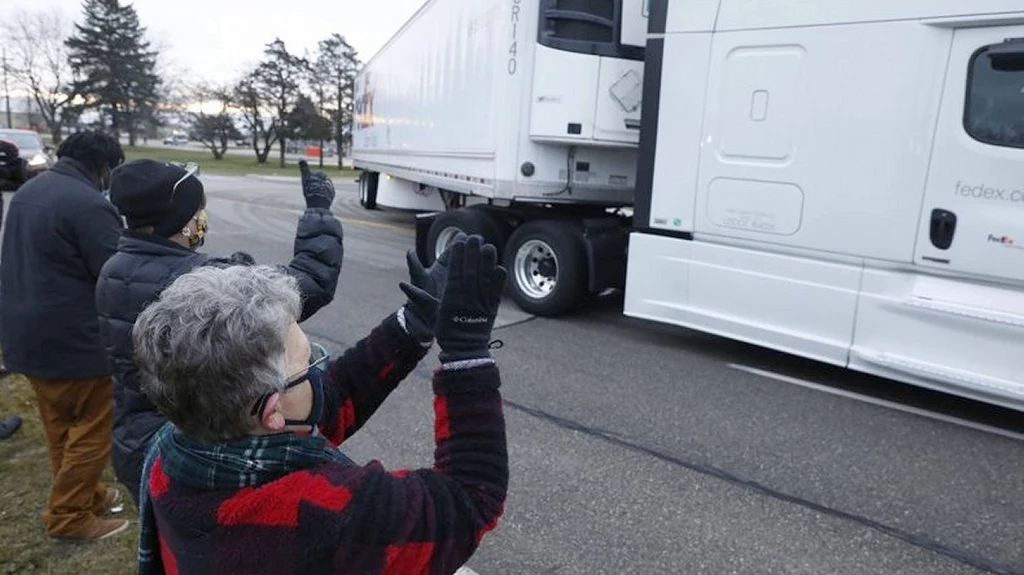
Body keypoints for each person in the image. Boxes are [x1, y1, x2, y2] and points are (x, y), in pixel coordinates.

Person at [132, 235, 508, 575]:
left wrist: (412, 325)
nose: (320, 370)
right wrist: (466, 353)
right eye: (310, 361)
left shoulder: (172, 449)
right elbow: (469, 501)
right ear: (272, 411)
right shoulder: (327, 514)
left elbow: (328, 403)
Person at [95, 158, 345, 507]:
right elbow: (309, 282)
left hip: (133, 437)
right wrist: (319, 211)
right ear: (180, 221)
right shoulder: (197, 283)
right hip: (190, 448)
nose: (202, 218)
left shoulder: (114, 266)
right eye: (198, 210)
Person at [0, 130, 128, 541]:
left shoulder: (29, 191)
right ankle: (69, 516)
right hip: (76, 340)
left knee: (60, 427)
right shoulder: (89, 204)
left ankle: (85, 494)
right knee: (93, 429)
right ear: (104, 168)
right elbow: (113, 274)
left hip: (27, 333)